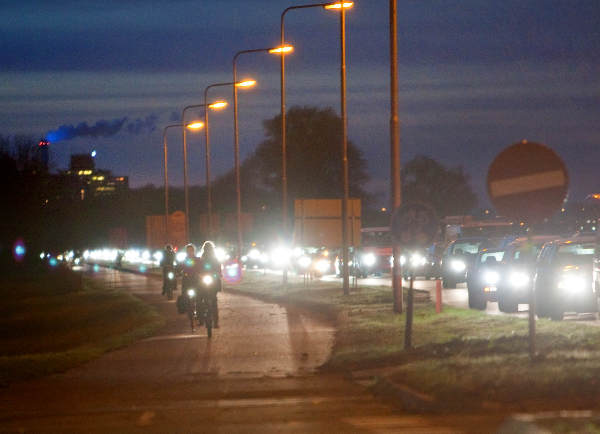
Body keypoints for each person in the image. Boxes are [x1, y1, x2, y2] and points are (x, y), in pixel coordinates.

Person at [198, 241, 222, 328]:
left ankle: (215, 322)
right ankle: (201, 319)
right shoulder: (202, 259)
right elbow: (199, 268)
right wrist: (199, 274)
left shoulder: (215, 259)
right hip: (204, 282)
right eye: (206, 249)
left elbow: (218, 268)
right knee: (201, 299)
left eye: (209, 249)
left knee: (213, 300)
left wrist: (218, 274)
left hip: (213, 282)